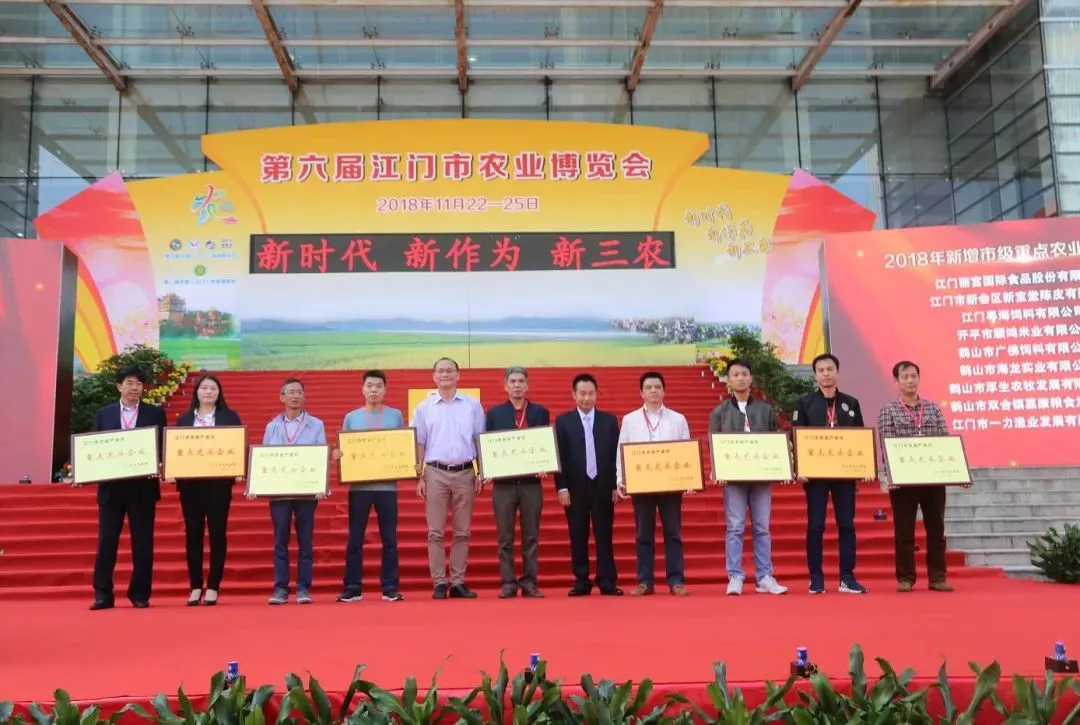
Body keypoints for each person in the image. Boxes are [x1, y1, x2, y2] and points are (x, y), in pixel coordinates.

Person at [85, 365, 167, 610]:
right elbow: (94, 447)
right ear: (119, 386)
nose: (135, 388)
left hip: (142, 488)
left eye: (139, 383)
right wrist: (84, 471)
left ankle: (140, 594)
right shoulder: (105, 414)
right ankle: (103, 595)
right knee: (106, 542)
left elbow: (162, 446)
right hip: (111, 489)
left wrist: (160, 462)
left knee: (143, 543)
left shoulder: (155, 414)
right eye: (129, 383)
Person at [708, 359, 789, 596]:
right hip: (734, 480)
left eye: (745, 374)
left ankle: (764, 576)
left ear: (751, 378)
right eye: (736, 374)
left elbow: (775, 440)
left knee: (762, 528)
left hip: (761, 478)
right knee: (735, 528)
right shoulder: (719, 412)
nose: (741, 378)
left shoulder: (765, 409)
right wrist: (718, 470)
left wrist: (783, 468)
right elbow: (714, 445)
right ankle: (735, 575)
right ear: (729, 380)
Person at [792, 353, 870, 595]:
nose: (826, 374)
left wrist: (865, 467)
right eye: (821, 370)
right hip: (815, 476)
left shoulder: (851, 403)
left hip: (844, 476)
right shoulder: (804, 403)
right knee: (816, 526)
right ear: (815, 375)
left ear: (837, 372)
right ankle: (816, 578)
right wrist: (799, 468)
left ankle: (847, 577)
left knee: (847, 526)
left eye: (830, 369)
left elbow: (859, 437)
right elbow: (796, 436)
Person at [876, 360, 954, 593]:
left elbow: (944, 440)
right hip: (903, 481)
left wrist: (953, 469)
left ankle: (937, 577)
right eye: (905, 377)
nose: (910, 381)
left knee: (936, 529)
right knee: (904, 531)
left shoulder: (933, 408)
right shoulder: (888, 411)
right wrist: (891, 477)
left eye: (913, 376)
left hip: (933, 479)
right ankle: (906, 578)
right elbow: (886, 446)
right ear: (896, 381)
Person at [413, 357, 486, 599]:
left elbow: (479, 439)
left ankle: (457, 582)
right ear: (434, 376)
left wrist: (482, 471)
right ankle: (439, 582)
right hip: (435, 473)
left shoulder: (472, 405)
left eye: (449, 370)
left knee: (462, 531)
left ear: (458, 375)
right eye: (440, 371)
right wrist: (419, 477)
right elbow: (419, 442)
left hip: (465, 472)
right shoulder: (424, 407)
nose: (445, 374)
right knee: (435, 532)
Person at [169, 374, 244, 606]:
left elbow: (237, 447)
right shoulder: (185, 419)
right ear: (197, 392)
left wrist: (239, 467)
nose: (208, 392)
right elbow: (175, 449)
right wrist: (171, 468)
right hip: (190, 486)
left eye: (213, 388)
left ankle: (213, 585)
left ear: (219, 393)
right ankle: (195, 585)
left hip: (218, 485)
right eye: (204, 388)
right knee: (193, 534)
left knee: (217, 533)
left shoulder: (230, 417)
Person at [616, 371, 692, 596]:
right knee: (643, 534)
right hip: (642, 485)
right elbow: (622, 451)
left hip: (671, 486)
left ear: (664, 391)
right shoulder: (630, 420)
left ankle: (676, 580)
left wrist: (689, 479)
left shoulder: (678, 419)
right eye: (648, 387)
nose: (653, 391)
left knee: (673, 533)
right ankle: (645, 581)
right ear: (641, 393)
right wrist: (621, 479)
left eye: (657, 387)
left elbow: (686, 451)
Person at [333, 370, 405, 603]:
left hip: (387, 488)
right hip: (359, 488)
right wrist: (339, 454)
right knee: (355, 539)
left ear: (385, 389)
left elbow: (402, 447)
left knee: (389, 540)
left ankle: (390, 587)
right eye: (369, 386)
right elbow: (344, 448)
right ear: (362, 389)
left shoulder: (395, 416)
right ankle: (352, 587)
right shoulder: (351, 417)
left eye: (378, 386)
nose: (374, 390)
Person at [258, 378, 327, 605]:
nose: (295, 396)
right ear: (282, 397)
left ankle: (303, 588)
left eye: (299, 392)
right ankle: (280, 588)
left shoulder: (316, 425)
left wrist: (320, 485)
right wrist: (258, 486)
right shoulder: (272, 427)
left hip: (306, 493)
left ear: (304, 396)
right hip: (279, 493)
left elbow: (321, 456)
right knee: (280, 540)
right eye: (291, 392)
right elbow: (264, 458)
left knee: (306, 540)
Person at [484, 366, 551, 598]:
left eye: (521, 381)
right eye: (512, 381)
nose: (517, 385)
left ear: (527, 385)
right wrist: (488, 468)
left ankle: (530, 581)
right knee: (505, 537)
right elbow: (488, 445)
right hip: (503, 484)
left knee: (531, 535)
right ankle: (508, 582)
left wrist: (545, 463)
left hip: (531, 483)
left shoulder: (540, 412)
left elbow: (543, 443)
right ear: (505, 386)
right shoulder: (494, 414)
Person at [554, 373, 622, 596]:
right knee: (578, 534)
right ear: (573, 395)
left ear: (596, 394)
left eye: (591, 393)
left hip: (603, 486)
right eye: (582, 393)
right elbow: (559, 456)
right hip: (575, 488)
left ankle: (607, 579)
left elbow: (615, 454)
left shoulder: (609, 421)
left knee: (604, 534)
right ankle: (581, 580)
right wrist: (562, 487)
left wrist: (616, 484)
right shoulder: (563, 422)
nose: (586, 398)